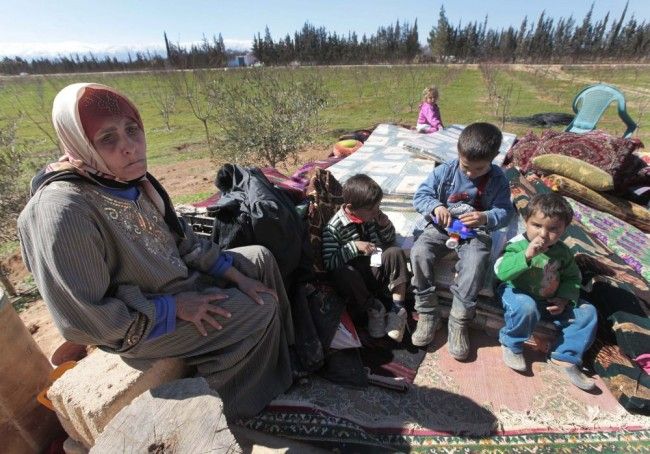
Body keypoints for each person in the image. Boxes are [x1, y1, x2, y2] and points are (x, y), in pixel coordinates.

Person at [17, 83, 294, 419]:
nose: (130, 147)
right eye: (108, 138)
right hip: (141, 324)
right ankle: (231, 407)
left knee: (258, 260)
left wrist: (238, 276)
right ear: (80, 144)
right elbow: (85, 320)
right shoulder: (63, 209)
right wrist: (173, 307)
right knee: (260, 308)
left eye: (132, 130)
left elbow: (185, 243)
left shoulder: (127, 180)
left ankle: (284, 356)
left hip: (177, 284)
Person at [410, 122, 514, 359]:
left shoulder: (498, 179)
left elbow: (505, 211)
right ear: (458, 153)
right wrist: (436, 206)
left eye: (478, 169)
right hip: (443, 226)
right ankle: (427, 311)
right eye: (466, 167)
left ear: (494, 158)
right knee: (419, 252)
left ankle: (459, 320)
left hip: (475, 232)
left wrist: (485, 217)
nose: (470, 173)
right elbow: (421, 196)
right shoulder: (445, 171)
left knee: (476, 261)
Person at [494, 193, 597, 391]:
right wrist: (526, 256)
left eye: (553, 229)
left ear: (564, 230)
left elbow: (572, 278)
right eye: (537, 225)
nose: (543, 234)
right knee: (526, 307)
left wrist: (564, 299)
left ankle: (565, 356)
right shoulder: (516, 245)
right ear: (526, 222)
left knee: (587, 312)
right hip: (517, 293)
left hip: (548, 300)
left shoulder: (563, 252)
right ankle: (512, 343)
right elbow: (501, 272)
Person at [322, 174, 411, 342]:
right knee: (344, 272)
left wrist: (385, 226)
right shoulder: (333, 228)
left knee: (394, 252)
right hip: (357, 283)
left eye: (378, 206)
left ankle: (398, 309)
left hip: (373, 267)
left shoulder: (370, 216)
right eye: (372, 208)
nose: (377, 211)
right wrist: (354, 246)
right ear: (350, 207)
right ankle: (374, 309)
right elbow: (329, 263)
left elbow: (386, 240)